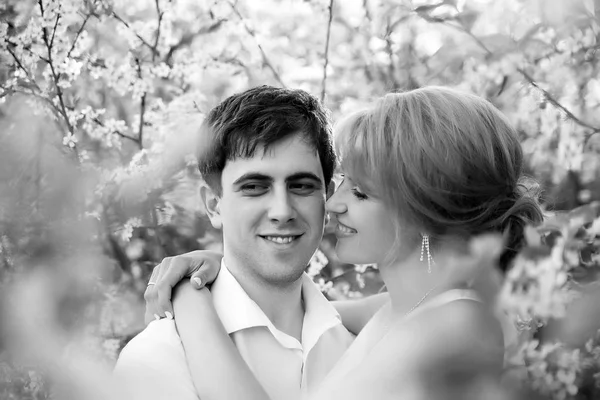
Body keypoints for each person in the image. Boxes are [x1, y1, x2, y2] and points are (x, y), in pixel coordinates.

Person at [147, 86, 544, 399]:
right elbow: (290, 311)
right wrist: (218, 267)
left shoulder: (460, 325)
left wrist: (191, 300)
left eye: (360, 193)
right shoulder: (405, 307)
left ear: (424, 207)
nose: (332, 203)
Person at [113, 85, 357, 400]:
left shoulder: (362, 345)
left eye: (301, 186)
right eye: (255, 186)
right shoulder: (158, 360)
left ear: (328, 199)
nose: (282, 211)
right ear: (214, 206)